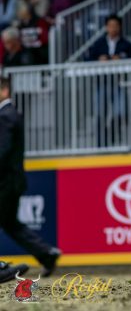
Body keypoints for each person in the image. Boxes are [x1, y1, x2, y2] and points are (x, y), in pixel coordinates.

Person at [0, 76, 62, 276]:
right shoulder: (11, 114)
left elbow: (2, 150)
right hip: (12, 181)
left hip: (5, 182)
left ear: (5, 91)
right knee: (11, 224)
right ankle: (46, 253)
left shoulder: (5, 115)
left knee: (11, 223)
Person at [87, 14, 131, 147]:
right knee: (99, 114)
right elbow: (88, 59)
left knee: (120, 112)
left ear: (120, 27)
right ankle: (100, 144)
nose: (113, 28)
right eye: (110, 26)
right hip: (101, 84)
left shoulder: (126, 44)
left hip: (118, 84)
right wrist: (99, 60)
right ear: (106, 27)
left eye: (115, 26)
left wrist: (121, 59)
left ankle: (113, 136)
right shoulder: (98, 43)